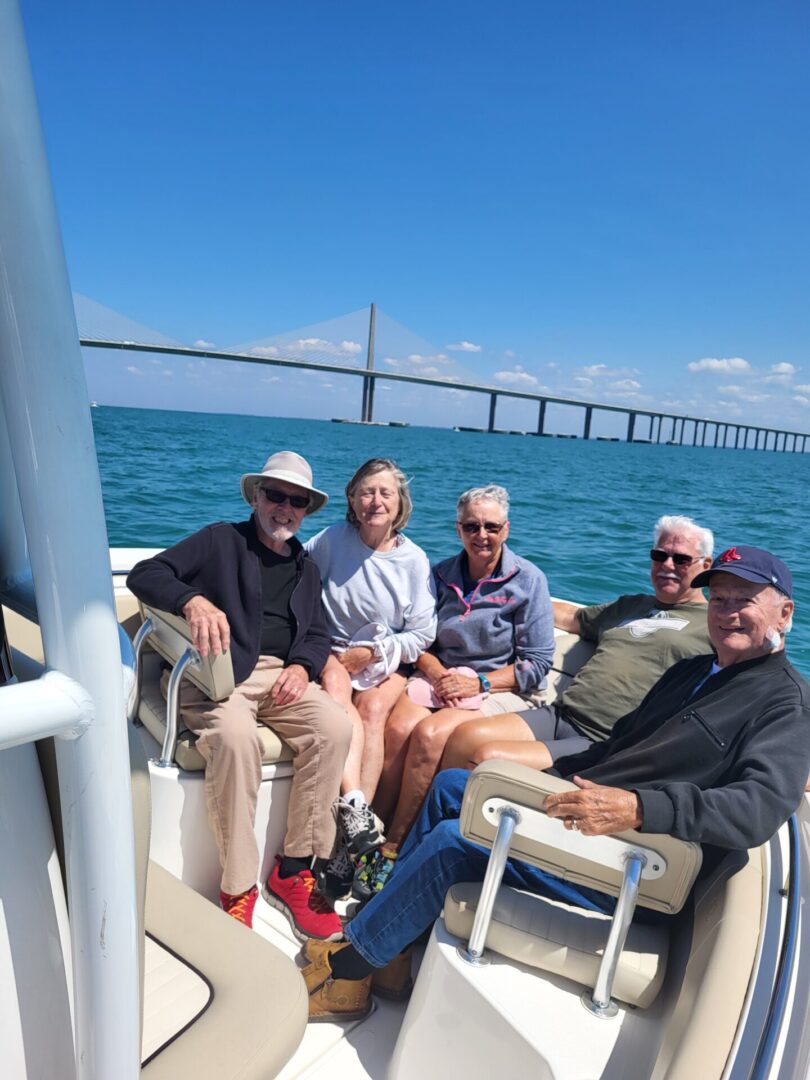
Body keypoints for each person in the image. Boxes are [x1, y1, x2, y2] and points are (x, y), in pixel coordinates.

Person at [302, 544, 810, 1021]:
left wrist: (639, 809)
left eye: (745, 600)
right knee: (456, 785)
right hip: (590, 821)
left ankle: (349, 974)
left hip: (640, 864)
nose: (726, 612)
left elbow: (756, 809)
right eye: (718, 599)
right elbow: (616, 748)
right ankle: (389, 949)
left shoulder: (784, 703)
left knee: (454, 841)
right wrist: (544, 780)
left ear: (784, 614)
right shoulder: (697, 671)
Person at [127, 451, 352, 937]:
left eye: (297, 501)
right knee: (236, 740)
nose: (285, 507)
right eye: (276, 495)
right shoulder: (219, 541)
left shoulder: (305, 568)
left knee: (334, 727)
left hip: (277, 676)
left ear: (307, 510)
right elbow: (146, 574)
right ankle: (237, 887)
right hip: (214, 674)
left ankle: (293, 869)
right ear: (256, 496)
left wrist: (301, 665)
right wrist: (194, 599)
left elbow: (316, 634)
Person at [363, 485, 555, 900]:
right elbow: (421, 642)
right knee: (398, 728)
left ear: (506, 529)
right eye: (471, 526)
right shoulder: (441, 575)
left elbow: (536, 664)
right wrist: (436, 674)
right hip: (443, 679)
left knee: (431, 735)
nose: (480, 535)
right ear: (458, 529)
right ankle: (371, 831)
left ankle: (395, 847)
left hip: (498, 687)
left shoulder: (528, 581)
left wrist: (478, 683)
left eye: (490, 527)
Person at [442, 514, 713, 774]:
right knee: (464, 736)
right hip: (562, 714)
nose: (667, 565)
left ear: (706, 565)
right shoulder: (630, 606)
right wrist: (503, 599)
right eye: (659, 555)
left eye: (681, 559)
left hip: (604, 740)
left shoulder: (713, 626)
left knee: (485, 758)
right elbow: (572, 617)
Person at [304, 458, 436, 896]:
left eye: (385, 493)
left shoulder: (414, 560)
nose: (375, 501)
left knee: (375, 709)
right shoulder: (330, 541)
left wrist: (377, 651)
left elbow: (422, 634)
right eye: (366, 492)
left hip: (387, 658)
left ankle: (347, 843)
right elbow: (298, 581)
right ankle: (356, 820)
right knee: (347, 704)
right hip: (334, 652)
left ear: (400, 504)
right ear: (351, 499)